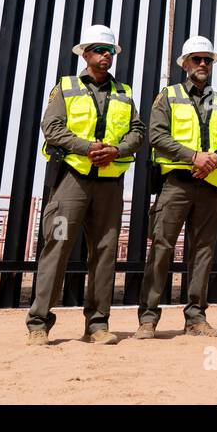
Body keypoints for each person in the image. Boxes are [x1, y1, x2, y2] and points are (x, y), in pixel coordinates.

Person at [27, 24, 145, 345]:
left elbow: (138, 132)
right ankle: (39, 323)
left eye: (109, 51)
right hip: (71, 185)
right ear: (86, 53)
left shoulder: (124, 93)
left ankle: (97, 324)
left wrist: (116, 150)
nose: (105, 55)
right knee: (59, 245)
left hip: (108, 186)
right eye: (99, 50)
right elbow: (51, 128)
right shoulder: (65, 87)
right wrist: (87, 147)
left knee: (105, 252)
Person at [134, 35, 217, 338]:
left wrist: (215, 156)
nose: (203, 64)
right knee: (161, 248)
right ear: (185, 64)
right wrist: (193, 156)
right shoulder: (167, 96)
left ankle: (196, 317)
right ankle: (148, 318)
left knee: (203, 252)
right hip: (177, 184)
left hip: (209, 186)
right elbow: (156, 135)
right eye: (197, 59)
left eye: (208, 59)